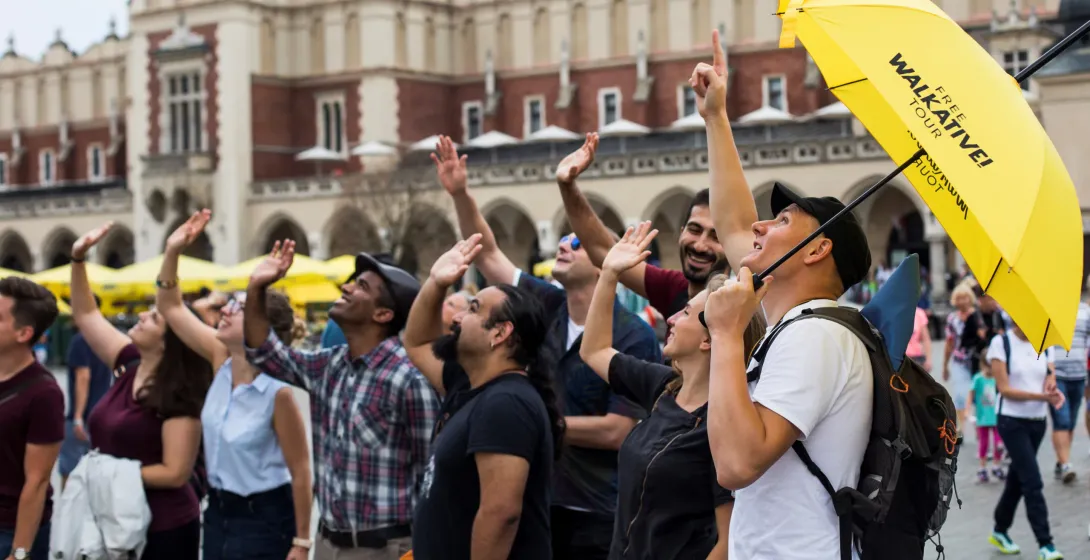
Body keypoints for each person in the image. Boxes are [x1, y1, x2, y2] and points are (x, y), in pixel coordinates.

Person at [432, 135, 662, 559]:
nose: (563, 244)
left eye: (577, 242)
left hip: (596, 512)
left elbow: (619, 429)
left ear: (604, 258)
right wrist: (461, 193)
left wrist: (536, 425)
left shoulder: (634, 336)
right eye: (563, 237)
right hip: (542, 503)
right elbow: (488, 255)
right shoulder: (547, 305)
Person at [692, 30, 875, 559]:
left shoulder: (814, 337)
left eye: (783, 219)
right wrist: (716, 117)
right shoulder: (802, 324)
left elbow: (738, 463)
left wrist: (726, 334)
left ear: (817, 251)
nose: (760, 226)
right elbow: (732, 222)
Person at [580, 222, 767, 559]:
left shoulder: (721, 427)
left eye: (685, 313)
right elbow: (593, 351)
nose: (671, 319)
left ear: (710, 338)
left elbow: (727, 545)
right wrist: (608, 274)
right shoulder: (664, 387)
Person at [244, 239, 440, 560]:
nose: (347, 288)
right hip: (328, 544)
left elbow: (431, 476)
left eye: (361, 285)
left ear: (383, 313)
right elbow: (264, 353)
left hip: (387, 549)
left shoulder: (409, 378)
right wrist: (256, 288)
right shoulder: (329, 364)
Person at [159, 210, 314, 560]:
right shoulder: (220, 359)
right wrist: (173, 251)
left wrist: (301, 543)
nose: (226, 310)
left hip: (265, 519)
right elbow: (169, 305)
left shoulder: (278, 391)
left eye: (239, 307)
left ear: (261, 325)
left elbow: (302, 471)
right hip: (217, 513)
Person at [402, 234, 562, 560]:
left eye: (473, 309)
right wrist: (435, 284)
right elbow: (417, 343)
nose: (457, 318)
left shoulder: (508, 404)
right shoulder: (469, 385)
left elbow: (501, 514)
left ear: (500, 333)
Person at [70, 222, 212, 560]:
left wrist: (106, 473)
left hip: (161, 528)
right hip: (114, 519)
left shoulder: (180, 392)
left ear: (170, 343)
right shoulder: (129, 363)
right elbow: (87, 314)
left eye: (155, 318)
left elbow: (176, 471)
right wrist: (78, 260)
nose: (143, 316)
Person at [554, 133, 727, 322]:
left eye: (716, 237)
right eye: (694, 230)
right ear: (681, 232)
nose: (700, 245)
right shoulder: (674, 288)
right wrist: (567, 185)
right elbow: (602, 249)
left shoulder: (742, 308)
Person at [986, 322, 1064, 560]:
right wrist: (1042, 396)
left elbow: (1049, 372)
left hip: (1037, 421)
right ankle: (1046, 544)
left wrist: (1051, 381)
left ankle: (1000, 529)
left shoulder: (1044, 344)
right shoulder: (1001, 343)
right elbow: (1005, 389)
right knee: (1032, 481)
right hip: (1011, 421)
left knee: (1018, 478)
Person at [0, 278, 63, 560]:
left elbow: (36, 482)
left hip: (9, 531)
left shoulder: (44, 393)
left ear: (23, 333)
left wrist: (20, 552)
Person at [58, 294, 114, 488]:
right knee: (98, 471)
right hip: (103, 413)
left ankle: (68, 513)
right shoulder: (107, 337)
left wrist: (78, 417)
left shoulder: (80, 340)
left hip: (84, 416)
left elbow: (83, 376)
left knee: (69, 471)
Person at [1047, 282, 1089, 484]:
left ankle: (1061, 459)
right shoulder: (1049, 307)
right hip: (1058, 374)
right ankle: (1065, 465)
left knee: (1071, 422)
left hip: (1079, 375)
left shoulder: (1085, 311)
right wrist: (1049, 372)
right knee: (1061, 420)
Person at [943, 284, 978, 433]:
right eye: (959, 298)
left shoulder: (978, 316)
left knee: (979, 395)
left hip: (976, 361)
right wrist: (945, 365)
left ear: (970, 298)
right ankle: (961, 428)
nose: (962, 301)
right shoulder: (952, 318)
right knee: (959, 395)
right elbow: (949, 342)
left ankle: (981, 428)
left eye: (965, 297)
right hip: (959, 360)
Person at [968, 363, 1004, 483]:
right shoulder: (978, 378)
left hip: (996, 415)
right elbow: (970, 394)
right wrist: (968, 412)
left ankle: (996, 465)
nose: (990, 369)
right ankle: (982, 467)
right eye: (988, 366)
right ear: (982, 365)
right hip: (982, 416)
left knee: (998, 440)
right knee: (984, 443)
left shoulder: (997, 378)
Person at [905, 305, 932, 372]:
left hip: (917, 358)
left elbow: (926, 338)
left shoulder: (919, 313)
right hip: (899, 360)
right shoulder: (892, 312)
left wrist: (928, 359)